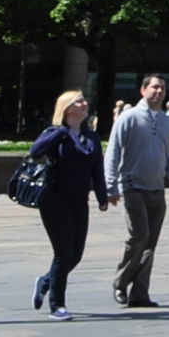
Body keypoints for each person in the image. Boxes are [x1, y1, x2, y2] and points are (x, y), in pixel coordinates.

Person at [27, 91, 115, 318]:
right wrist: (61, 133)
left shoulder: (91, 137)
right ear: (67, 108)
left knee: (76, 254)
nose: (85, 103)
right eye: (79, 101)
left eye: (85, 100)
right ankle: (57, 305)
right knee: (63, 253)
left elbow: (97, 169)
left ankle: (45, 281)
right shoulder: (55, 133)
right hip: (55, 200)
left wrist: (102, 198)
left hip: (79, 201)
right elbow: (35, 151)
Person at [106, 72, 169, 309]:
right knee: (138, 237)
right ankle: (120, 282)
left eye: (162, 88)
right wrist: (111, 186)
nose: (158, 92)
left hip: (157, 189)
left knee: (150, 244)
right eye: (154, 87)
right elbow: (113, 152)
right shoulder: (129, 118)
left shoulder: (166, 122)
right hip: (132, 187)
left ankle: (139, 294)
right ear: (143, 90)